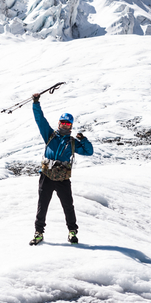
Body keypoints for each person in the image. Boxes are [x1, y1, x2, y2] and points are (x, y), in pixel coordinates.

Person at [30, 92, 93, 245]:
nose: (64, 125)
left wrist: (83, 140)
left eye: (67, 124)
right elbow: (40, 120)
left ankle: (72, 232)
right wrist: (36, 103)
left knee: (68, 206)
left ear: (71, 126)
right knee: (42, 206)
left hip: (63, 179)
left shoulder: (73, 142)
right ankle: (38, 233)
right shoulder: (49, 135)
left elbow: (89, 151)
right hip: (46, 176)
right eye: (62, 123)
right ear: (59, 123)